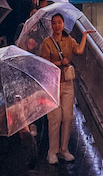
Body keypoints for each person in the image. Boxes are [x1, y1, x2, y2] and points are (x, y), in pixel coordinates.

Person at [39, 12, 88, 164]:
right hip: (52, 83)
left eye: (59, 22)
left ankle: (64, 149)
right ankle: (52, 151)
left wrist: (85, 35)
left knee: (68, 117)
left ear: (63, 24)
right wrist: (61, 63)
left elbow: (79, 51)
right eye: (54, 23)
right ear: (51, 25)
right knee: (55, 118)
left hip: (67, 82)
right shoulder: (47, 43)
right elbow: (44, 64)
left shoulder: (69, 40)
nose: (57, 26)